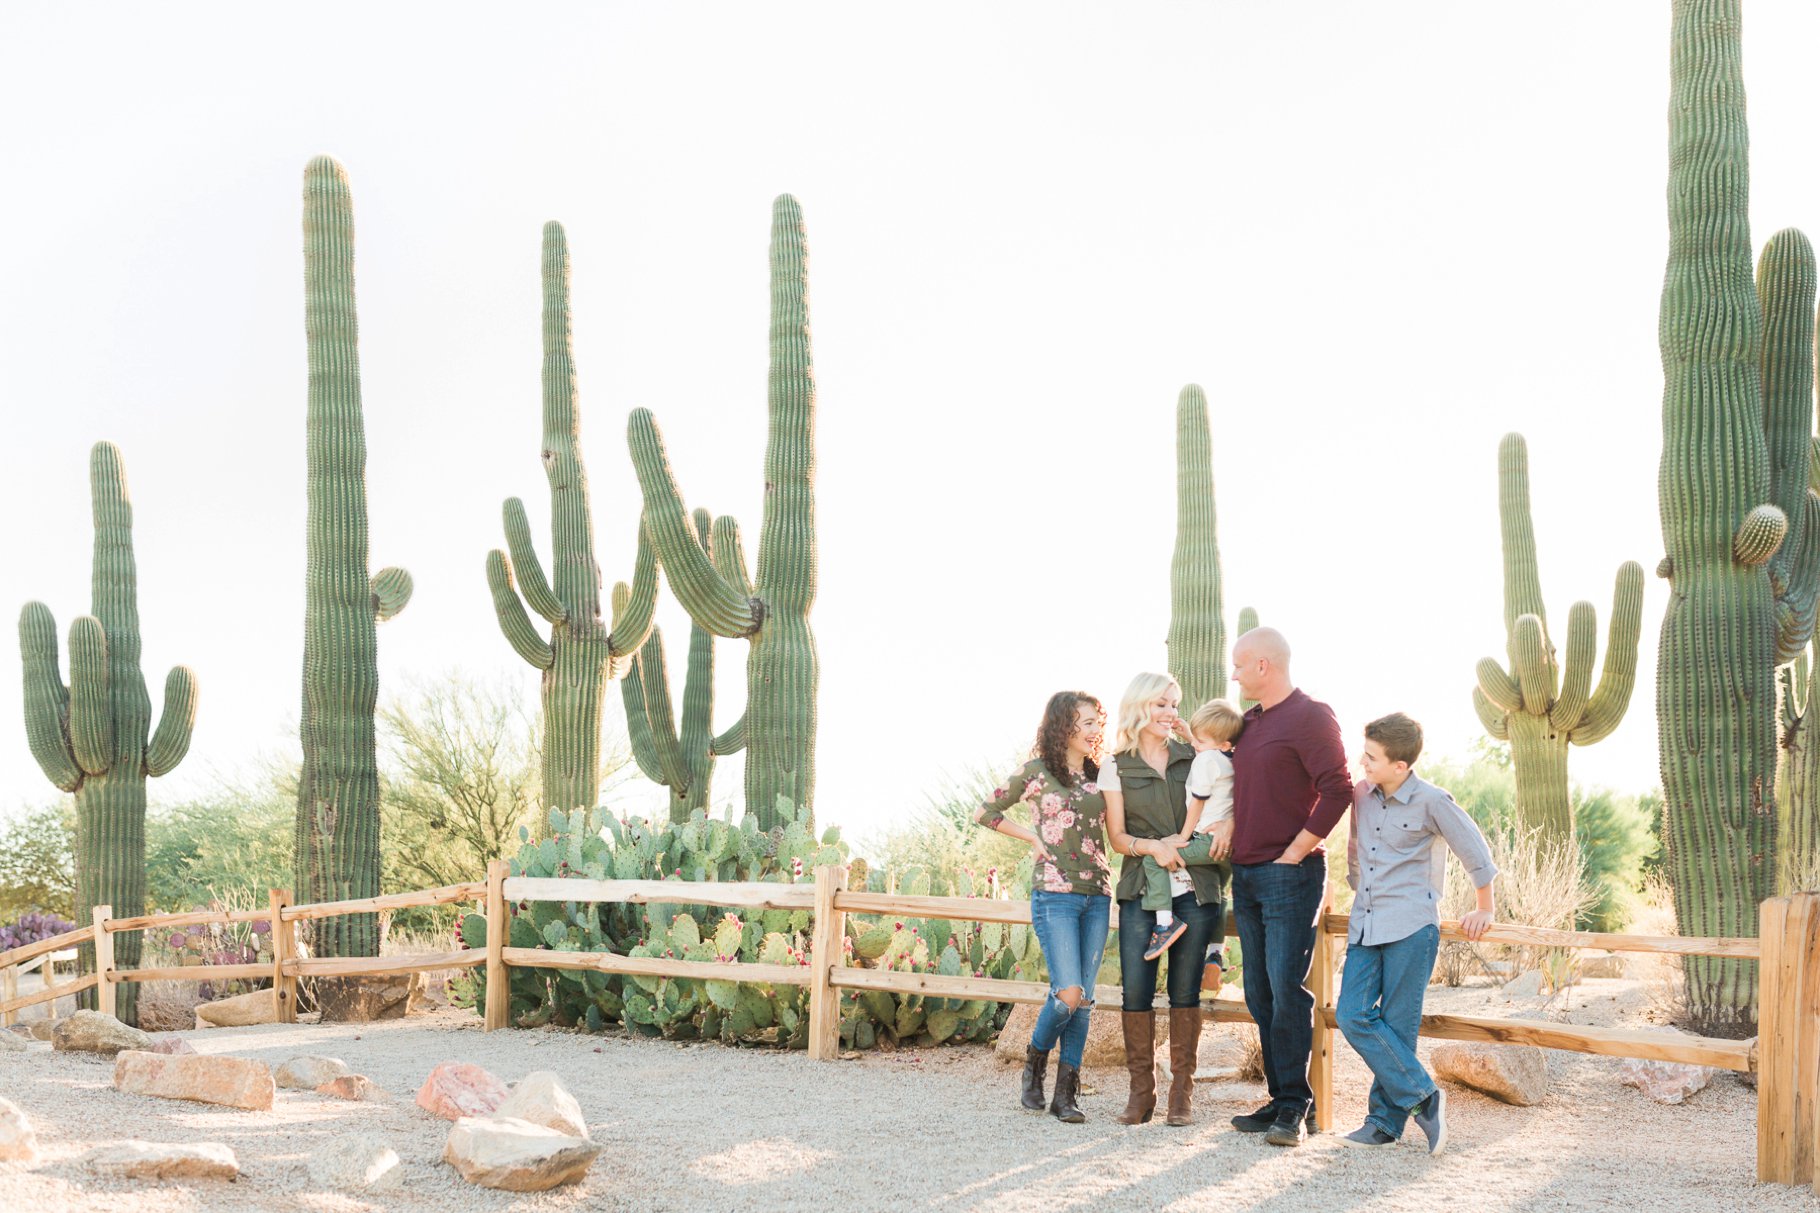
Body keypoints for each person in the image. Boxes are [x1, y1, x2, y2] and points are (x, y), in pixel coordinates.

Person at [1338, 712, 1497, 1155]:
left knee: (1398, 1026)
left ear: (1400, 766)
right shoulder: (1362, 796)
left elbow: (1475, 851)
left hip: (1411, 925)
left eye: (1371, 757)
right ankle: (1425, 1096)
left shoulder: (1432, 800)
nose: (1363, 762)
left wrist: (1485, 907)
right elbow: (1354, 853)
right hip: (1366, 922)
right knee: (1352, 1014)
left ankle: (1383, 1125)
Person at [1225, 627, 1353, 1147]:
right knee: (1258, 993)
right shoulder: (1249, 725)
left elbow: (1338, 788)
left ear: (1263, 665)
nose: (1232, 675)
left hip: (1289, 875)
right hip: (1247, 873)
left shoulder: (1311, 715)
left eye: (1238, 665)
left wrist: (1297, 850)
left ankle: (1296, 1107)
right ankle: (1282, 1099)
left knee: (1285, 990)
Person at [975, 691, 1112, 1124]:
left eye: (1097, 722)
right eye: (1085, 722)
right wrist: (1032, 838)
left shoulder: (1103, 775)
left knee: (1084, 1000)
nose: (1094, 730)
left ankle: (1065, 1094)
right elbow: (985, 811)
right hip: (1054, 892)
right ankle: (1034, 1058)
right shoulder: (1035, 773)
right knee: (1067, 991)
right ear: (1062, 726)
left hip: (1099, 891)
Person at [1102, 672, 1228, 1127]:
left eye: (1174, 704)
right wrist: (1151, 846)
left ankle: (1181, 1095)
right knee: (1136, 990)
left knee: (1184, 992)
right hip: (1141, 888)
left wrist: (1227, 827)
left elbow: (1228, 798)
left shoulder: (1196, 757)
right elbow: (1117, 837)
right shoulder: (1115, 765)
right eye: (1160, 704)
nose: (1170, 712)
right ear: (1138, 707)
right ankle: (1141, 1093)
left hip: (1197, 886)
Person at [1137, 699, 1243, 984]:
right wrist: (1191, 735)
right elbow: (1209, 745)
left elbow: (1197, 801)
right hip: (1230, 846)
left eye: (1200, 739)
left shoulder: (1206, 760)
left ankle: (1165, 923)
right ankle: (1215, 953)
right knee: (1219, 893)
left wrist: (1182, 837)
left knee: (1154, 857)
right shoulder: (1227, 757)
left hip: (1206, 840)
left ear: (1220, 743)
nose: (1194, 743)